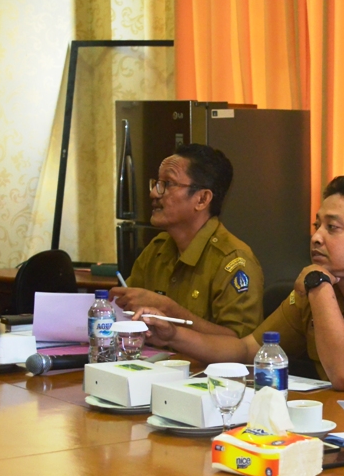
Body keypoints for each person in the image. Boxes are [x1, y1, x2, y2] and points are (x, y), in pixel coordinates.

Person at [136, 176, 344, 398]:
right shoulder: (318, 283)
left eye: (332, 227)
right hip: (332, 420)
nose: (316, 237)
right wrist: (174, 335)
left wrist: (319, 287)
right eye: (316, 226)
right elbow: (248, 350)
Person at [111, 143, 264, 338]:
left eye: (167, 184)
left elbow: (241, 345)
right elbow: (125, 310)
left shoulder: (234, 261)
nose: (154, 193)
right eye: (156, 183)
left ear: (202, 199)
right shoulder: (157, 249)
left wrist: (169, 310)